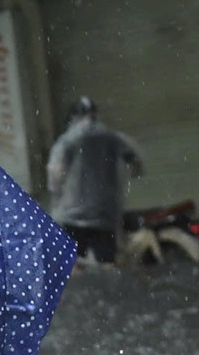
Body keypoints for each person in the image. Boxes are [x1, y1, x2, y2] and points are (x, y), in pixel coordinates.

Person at [43, 97, 144, 263]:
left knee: (73, 265)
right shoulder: (113, 138)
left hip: (73, 215)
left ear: (73, 117)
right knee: (107, 263)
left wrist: (57, 197)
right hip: (105, 215)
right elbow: (136, 165)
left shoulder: (67, 140)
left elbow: (55, 176)